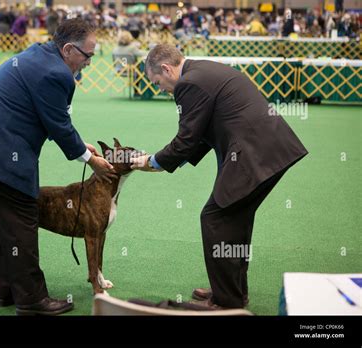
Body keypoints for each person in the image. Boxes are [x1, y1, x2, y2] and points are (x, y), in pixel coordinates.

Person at [0, 18, 115, 315]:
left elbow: (50, 118)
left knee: (2, 223)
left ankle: (6, 291)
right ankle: (32, 300)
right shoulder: (57, 74)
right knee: (22, 221)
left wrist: (81, 145)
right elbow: (60, 125)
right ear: (68, 49)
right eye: (88, 55)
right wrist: (91, 160)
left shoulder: (40, 54)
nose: (90, 62)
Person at [130, 44, 308, 310]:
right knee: (235, 219)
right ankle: (233, 293)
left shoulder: (187, 84)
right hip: (269, 149)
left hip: (255, 154)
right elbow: (200, 134)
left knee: (215, 218)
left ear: (166, 69)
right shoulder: (203, 70)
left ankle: (227, 302)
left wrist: (152, 162)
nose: (161, 88)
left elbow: (186, 139)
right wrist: (163, 161)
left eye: (157, 82)